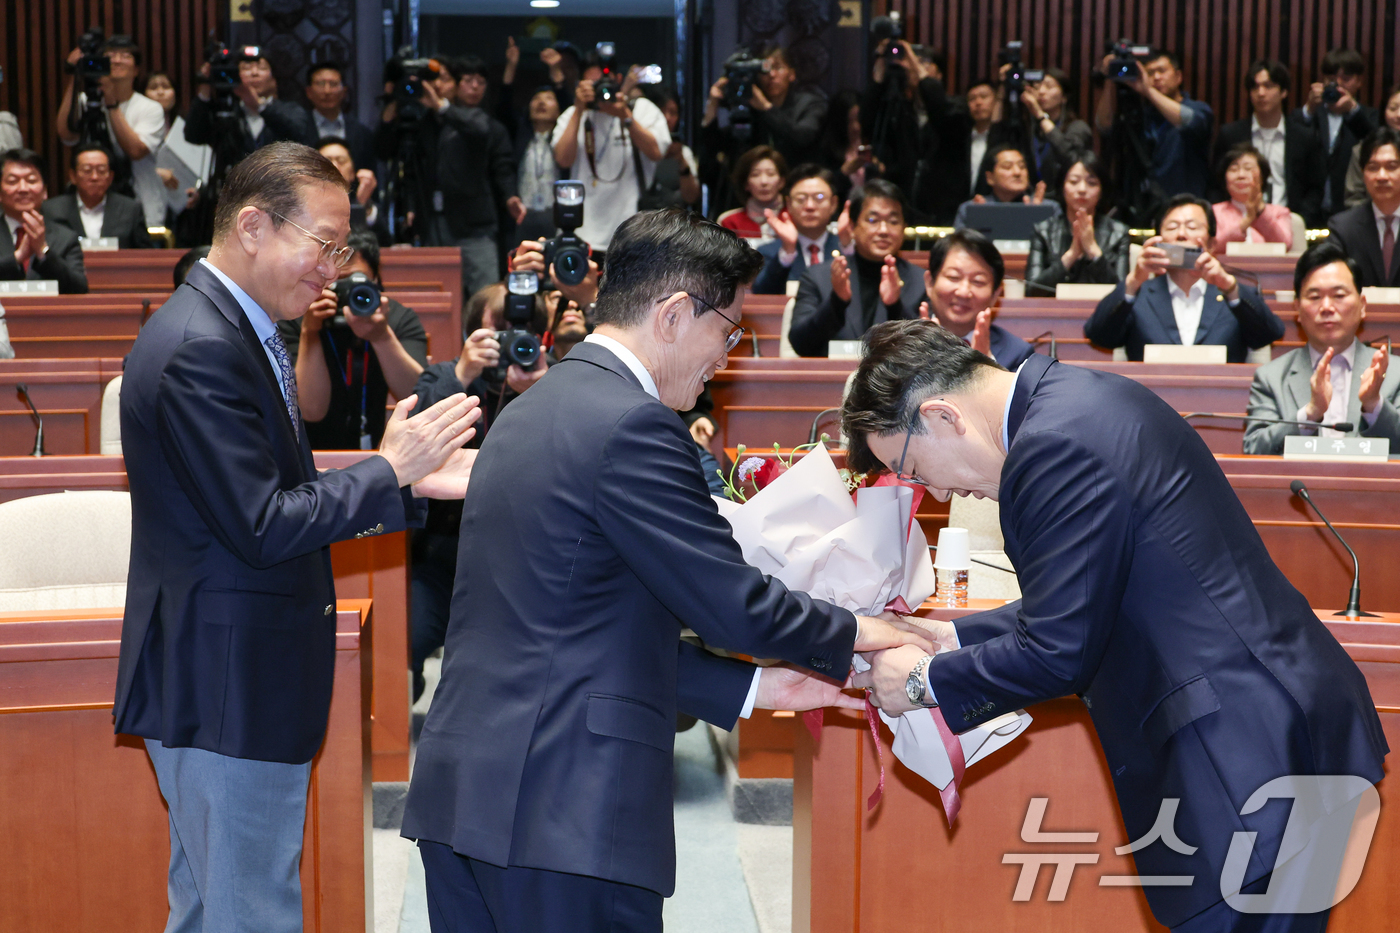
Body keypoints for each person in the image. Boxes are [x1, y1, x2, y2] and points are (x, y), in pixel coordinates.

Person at [400, 207, 927, 931]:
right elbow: (731, 604)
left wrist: (756, 684)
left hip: (470, 796)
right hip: (560, 814)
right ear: (675, 314)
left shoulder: (532, 407)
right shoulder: (636, 425)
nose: (728, 355)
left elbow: (574, 624)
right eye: (729, 329)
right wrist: (863, 630)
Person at [842, 318, 1387, 933]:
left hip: (1242, 761)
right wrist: (951, 637)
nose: (934, 491)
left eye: (913, 468)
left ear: (943, 417)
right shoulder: (1078, 400)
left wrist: (919, 681)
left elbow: (1057, 652)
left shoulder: (1050, 447)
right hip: (1283, 727)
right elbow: (1097, 592)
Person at [113, 141, 480, 933]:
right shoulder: (203, 348)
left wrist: (406, 479)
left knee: (213, 909)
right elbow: (263, 523)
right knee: (249, 916)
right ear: (253, 226)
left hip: (226, 676)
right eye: (324, 244)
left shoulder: (228, 327)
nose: (334, 270)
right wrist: (389, 470)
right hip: (227, 687)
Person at [1245, 240, 1400, 455]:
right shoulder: (1271, 377)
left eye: (1339, 295)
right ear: (1297, 308)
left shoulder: (1395, 373)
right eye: (1315, 297)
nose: (1327, 307)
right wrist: (1309, 414)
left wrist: (1374, 405)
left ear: (1362, 306)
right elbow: (1254, 450)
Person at [278, 227, 427, 450]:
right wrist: (310, 334)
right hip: (310, 455)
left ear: (376, 280)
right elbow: (310, 410)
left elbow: (419, 397)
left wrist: (382, 337)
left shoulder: (396, 319)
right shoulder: (295, 319)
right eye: (338, 281)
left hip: (375, 455)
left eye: (357, 281)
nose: (347, 291)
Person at [1086, 194, 1283, 361]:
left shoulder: (1232, 295)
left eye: (1192, 226)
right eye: (1172, 227)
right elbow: (1100, 336)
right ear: (1158, 241)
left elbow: (1269, 335)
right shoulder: (1138, 293)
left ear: (1212, 244)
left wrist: (1230, 288)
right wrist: (1133, 281)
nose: (1181, 234)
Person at [788, 179, 925, 357]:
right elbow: (801, 345)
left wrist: (895, 306)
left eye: (893, 221)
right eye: (872, 220)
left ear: (904, 227)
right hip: (832, 381)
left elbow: (926, 351)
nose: (883, 230)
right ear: (852, 227)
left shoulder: (920, 281)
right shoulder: (817, 276)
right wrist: (837, 301)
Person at [553, 55, 669, 252]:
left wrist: (625, 116)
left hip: (634, 233)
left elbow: (656, 152)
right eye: (593, 84)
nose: (601, 90)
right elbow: (563, 160)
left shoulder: (641, 109)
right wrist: (579, 109)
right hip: (581, 234)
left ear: (618, 80)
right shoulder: (573, 115)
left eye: (605, 83)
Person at [55, 34, 166, 228]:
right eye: (110, 55)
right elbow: (66, 134)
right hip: (91, 210)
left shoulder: (150, 108)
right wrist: (75, 75)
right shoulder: (84, 100)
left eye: (125, 55)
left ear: (137, 70)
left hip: (142, 206)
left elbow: (136, 151)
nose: (116, 60)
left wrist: (111, 103)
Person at [1095, 48, 1214, 225]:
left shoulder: (1198, 109)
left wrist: (1148, 90)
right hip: (1142, 211)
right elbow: (1103, 126)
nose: (1156, 77)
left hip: (1184, 209)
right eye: (1150, 73)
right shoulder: (1138, 114)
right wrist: (1111, 79)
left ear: (1178, 76)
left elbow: (1187, 121)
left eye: (1162, 71)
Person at [700, 46, 827, 201]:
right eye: (764, 70)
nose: (771, 75)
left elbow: (802, 137)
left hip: (798, 191)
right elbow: (715, 145)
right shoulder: (749, 109)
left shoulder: (810, 103)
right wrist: (712, 105)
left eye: (778, 68)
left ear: (791, 74)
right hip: (751, 197)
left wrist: (766, 108)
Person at [1211, 60, 1326, 227]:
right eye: (1255, 87)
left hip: (1288, 222)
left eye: (1268, 86)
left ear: (1284, 92)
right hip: (1239, 225)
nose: (1261, 93)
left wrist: (1298, 222)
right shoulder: (1231, 135)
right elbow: (1216, 185)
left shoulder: (1304, 137)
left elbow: (1315, 188)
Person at [920, 228, 1036, 369]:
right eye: (953, 277)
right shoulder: (898, 342)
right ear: (930, 283)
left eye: (978, 281)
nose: (963, 292)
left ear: (995, 295)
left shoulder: (1017, 354)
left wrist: (987, 367)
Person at [185, 51, 318, 163]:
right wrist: (204, 89)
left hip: (279, 187)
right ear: (235, 75)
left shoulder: (291, 110)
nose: (254, 73)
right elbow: (193, 136)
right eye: (246, 68)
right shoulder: (226, 111)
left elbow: (301, 137)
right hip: (234, 188)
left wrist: (260, 107)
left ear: (273, 79)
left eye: (262, 68)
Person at [1294, 48, 1379, 219]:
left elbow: (1374, 144)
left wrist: (1353, 111)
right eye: (1331, 79)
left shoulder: (1368, 116)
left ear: (1359, 81)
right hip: (1310, 209)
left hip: (1350, 208)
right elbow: (1293, 140)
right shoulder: (1312, 113)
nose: (1338, 84)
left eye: (1346, 79)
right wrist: (1310, 109)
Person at [1025, 152, 1130, 290]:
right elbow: (1031, 290)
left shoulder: (1119, 233)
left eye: (1091, 183)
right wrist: (1071, 255)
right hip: (1054, 310)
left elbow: (1123, 292)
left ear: (1101, 191)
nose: (1082, 189)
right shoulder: (1043, 231)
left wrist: (1093, 251)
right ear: (1062, 187)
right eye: (1074, 182)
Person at [751, 163, 850, 295]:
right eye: (801, 199)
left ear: (833, 204)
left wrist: (849, 247)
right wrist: (787, 251)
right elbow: (761, 294)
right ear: (789, 204)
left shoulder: (845, 248)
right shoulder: (769, 253)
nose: (810, 206)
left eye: (819, 198)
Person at [0, 148, 88, 293]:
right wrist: (17, 258)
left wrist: (43, 251)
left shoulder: (65, 238)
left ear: (45, 191)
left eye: (31, 180)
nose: (23, 188)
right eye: (13, 181)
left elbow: (80, 288)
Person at [923, 78, 1007, 224]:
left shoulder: (1006, 137)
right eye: (972, 99)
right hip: (954, 215)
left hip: (995, 213)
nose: (978, 103)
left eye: (984, 97)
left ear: (996, 101)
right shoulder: (958, 137)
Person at [1326, 127, 1400, 288]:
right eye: (1373, 167)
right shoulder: (1343, 229)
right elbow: (1330, 283)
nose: (1382, 176)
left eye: (1391, 166)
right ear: (1362, 174)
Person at [144, 71, 212, 245]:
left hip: (186, 209)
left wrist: (199, 191)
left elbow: (206, 165)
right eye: (153, 88)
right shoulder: (136, 128)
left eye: (166, 87)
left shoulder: (189, 127)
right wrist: (155, 173)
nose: (160, 92)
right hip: (149, 203)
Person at [42, 143, 153, 248]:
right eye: (87, 170)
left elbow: (145, 255)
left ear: (110, 177)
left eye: (101, 170)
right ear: (73, 176)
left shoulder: (130, 210)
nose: (94, 177)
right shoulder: (52, 210)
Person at [1019, 68, 1094, 197]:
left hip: (1065, 198)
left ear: (1064, 97)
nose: (1041, 92)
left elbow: (1070, 157)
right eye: (1037, 87)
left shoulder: (1077, 127)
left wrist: (1040, 115)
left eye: (1049, 86)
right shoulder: (1028, 128)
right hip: (1030, 198)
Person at [952, 144, 1056, 229]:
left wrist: (1038, 215)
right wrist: (981, 220)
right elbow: (960, 250)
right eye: (1007, 167)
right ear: (990, 178)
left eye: (1022, 166)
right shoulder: (972, 209)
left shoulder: (1049, 208)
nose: (1017, 172)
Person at [1211, 144, 1294, 249]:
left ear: (1262, 177)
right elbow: (1211, 247)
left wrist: (1260, 212)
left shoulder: (1279, 213)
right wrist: (1246, 223)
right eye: (1234, 169)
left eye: (1248, 168)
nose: (1241, 175)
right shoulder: (1213, 212)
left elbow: (1285, 245)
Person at [512, 86, 565, 242]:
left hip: (556, 213)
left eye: (549, 98)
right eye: (536, 98)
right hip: (524, 213)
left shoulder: (563, 141)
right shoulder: (519, 138)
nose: (541, 102)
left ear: (559, 112)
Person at [305, 62, 377, 176]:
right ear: (308, 91)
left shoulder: (362, 133)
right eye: (320, 84)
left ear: (344, 92)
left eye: (333, 84)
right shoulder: (297, 128)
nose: (327, 91)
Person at [643, 88, 701, 211]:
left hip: (670, 222)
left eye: (673, 113)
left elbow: (691, 197)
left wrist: (681, 161)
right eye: (661, 112)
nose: (667, 118)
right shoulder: (632, 146)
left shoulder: (684, 152)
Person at [1345, 83, 1400, 208]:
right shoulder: (1362, 150)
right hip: (1371, 223)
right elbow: (1353, 198)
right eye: (1393, 108)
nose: (1399, 115)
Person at [816, 89, 877, 199]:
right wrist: (845, 172)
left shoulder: (875, 143)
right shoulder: (826, 149)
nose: (856, 127)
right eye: (849, 121)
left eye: (859, 119)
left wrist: (878, 169)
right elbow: (822, 190)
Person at [717, 145, 786, 238]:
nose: (764, 181)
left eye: (770, 174)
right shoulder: (729, 221)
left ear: (782, 181)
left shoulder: (797, 217)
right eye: (755, 174)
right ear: (746, 183)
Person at [318, 137, 380, 232]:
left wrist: (361, 205)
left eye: (341, 161)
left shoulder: (363, 203)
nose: (335, 167)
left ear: (352, 173)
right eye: (327, 161)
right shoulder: (300, 204)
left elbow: (383, 241)